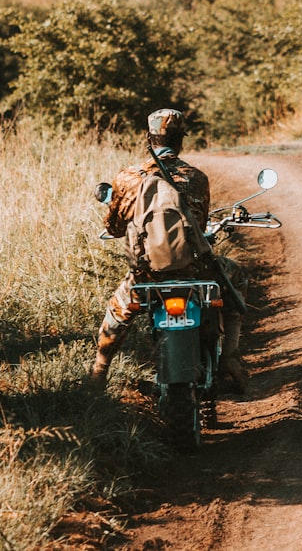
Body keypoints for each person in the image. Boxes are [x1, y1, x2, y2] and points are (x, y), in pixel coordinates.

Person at [88, 108, 250, 393]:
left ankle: (99, 372)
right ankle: (230, 356)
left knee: (117, 311)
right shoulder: (197, 178)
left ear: (148, 138)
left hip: (148, 273)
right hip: (196, 270)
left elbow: (114, 226)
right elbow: (198, 226)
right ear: (180, 141)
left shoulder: (127, 179)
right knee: (237, 278)